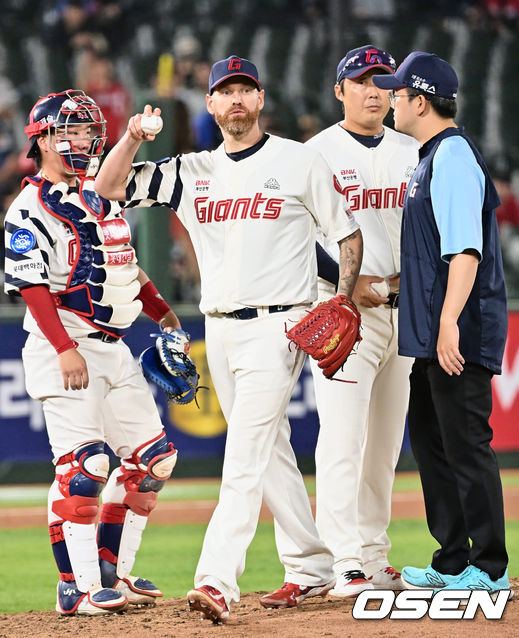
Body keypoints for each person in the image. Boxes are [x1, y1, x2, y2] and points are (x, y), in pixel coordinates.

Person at [94, 55, 363, 623]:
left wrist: (340, 298)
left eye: (246, 90)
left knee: (242, 453)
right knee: (269, 454)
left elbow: (346, 234)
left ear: (260, 100)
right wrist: (132, 136)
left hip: (280, 325)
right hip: (217, 326)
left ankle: (216, 579)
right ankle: (313, 565)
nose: (236, 100)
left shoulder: (298, 160)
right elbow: (108, 186)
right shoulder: (192, 170)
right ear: (211, 105)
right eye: (225, 92)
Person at [3, 90, 180, 615]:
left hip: (113, 348)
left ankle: (113, 572)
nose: (80, 141)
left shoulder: (95, 199)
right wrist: (63, 348)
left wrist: (163, 312)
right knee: (85, 468)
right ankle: (75, 587)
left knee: (155, 462)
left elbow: (124, 266)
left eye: (86, 132)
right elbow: (31, 286)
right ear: (42, 139)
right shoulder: (28, 208)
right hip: (66, 343)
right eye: (69, 132)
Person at [372, 52, 511, 596]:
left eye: (398, 93)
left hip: (458, 326)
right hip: (432, 331)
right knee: (433, 441)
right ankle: (452, 559)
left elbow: (465, 252)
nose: (390, 100)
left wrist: (449, 321)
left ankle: (490, 568)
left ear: (420, 101)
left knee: (466, 443)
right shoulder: (432, 156)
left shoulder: (451, 156)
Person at [303, 45, 419, 598]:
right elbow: (299, 234)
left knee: (385, 445)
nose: (374, 90)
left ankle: (373, 555)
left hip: (404, 310)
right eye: (362, 80)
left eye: (384, 82)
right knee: (343, 439)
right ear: (340, 90)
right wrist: (354, 285)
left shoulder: (413, 148)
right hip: (345, 312)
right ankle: (343, 559)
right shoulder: (316, 153)